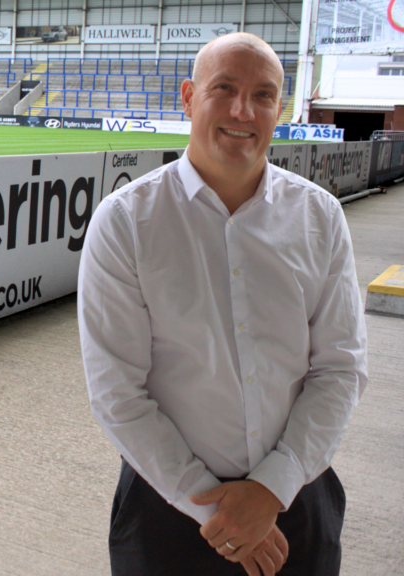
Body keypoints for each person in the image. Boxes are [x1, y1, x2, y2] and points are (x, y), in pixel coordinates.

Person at [77, 33, 367, 576]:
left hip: (297, 502)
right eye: (224, 88)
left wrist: (271, 491)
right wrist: (218, 508)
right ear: (188, 97)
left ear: (278, 109)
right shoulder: (125, 223)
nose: (243, 110)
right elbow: (117, 391)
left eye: (262, 95)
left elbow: (340, 370)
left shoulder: (320, 217)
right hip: (166, 509)